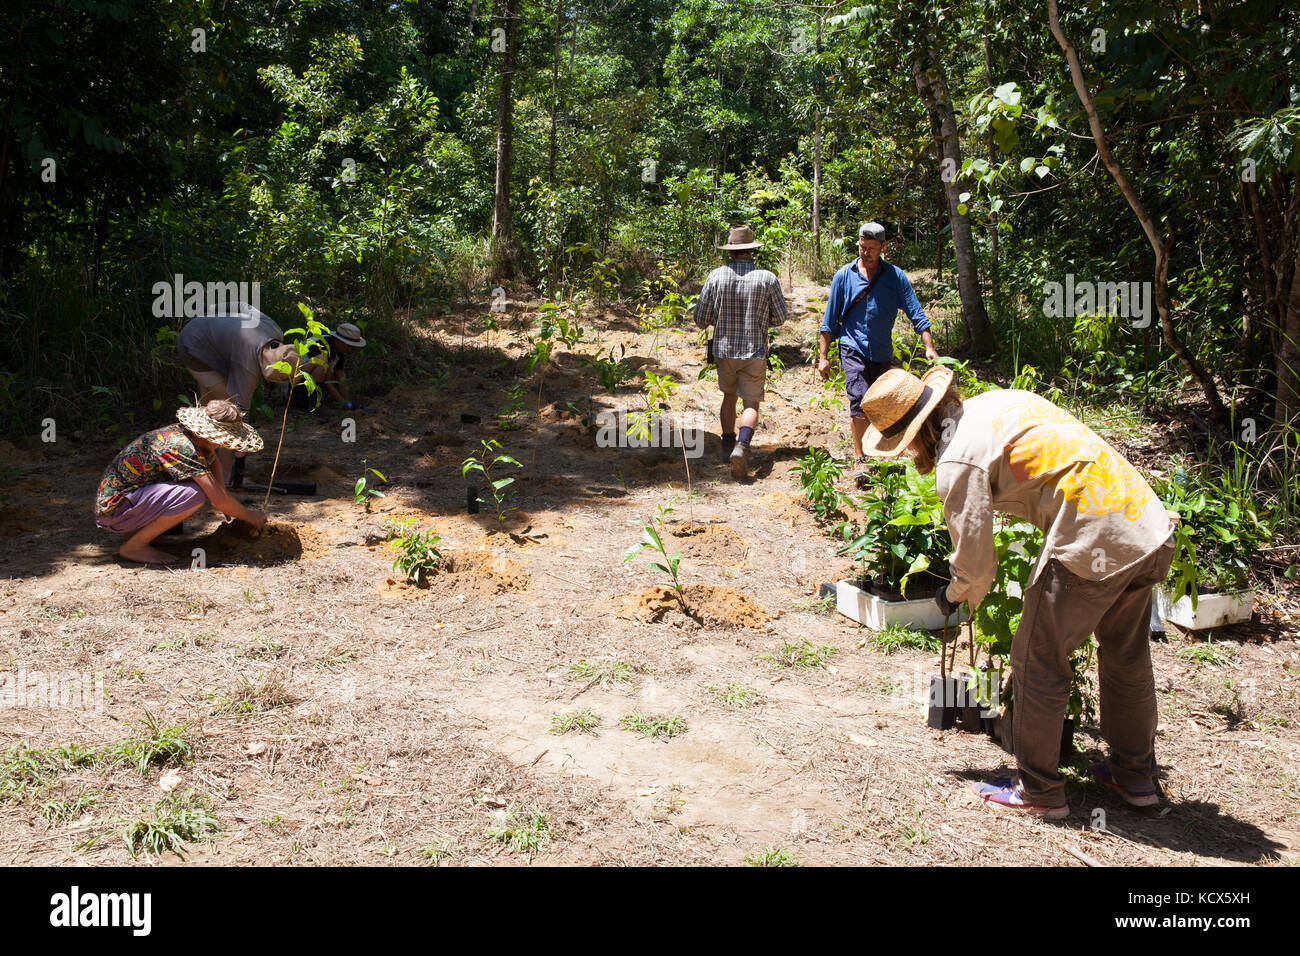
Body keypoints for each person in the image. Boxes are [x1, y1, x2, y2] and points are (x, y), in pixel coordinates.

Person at [858, 367, 1177, 820]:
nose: (910, 452)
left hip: (1093, 537)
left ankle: (1039, 791)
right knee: (1126, 655)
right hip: (1147, 526)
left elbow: (976, 565)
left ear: (919, 433)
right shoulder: (999, 402)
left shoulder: (956, 461)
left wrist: (953, 595)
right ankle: (1135, 777)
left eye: (906, 443)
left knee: (1037, 660)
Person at [818, 222, 939, 477]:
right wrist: (823, 357)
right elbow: (828, 321)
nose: (866, 253)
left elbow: (916, 313)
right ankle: (860, 459)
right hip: (852, 346)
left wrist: (929, 347)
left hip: (882, 351)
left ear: (883, 247)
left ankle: (879, 455)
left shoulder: (895, 277)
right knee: (859, 400)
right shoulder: (844, 276)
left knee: (882, 405)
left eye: (871, 248)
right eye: (862, 247)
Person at [95, 400, 268, 564]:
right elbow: (218, 500)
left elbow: (213, 461)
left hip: (123, 502)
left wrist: (222, 490)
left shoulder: (187, 434)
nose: (222, 444)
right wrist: (249, 515)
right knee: (194, 494)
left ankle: (138, 535)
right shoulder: (184, 447)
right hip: (115, 512)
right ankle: (134, 546)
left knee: (199, 489)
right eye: (222, 439)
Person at [176, 303, 323, 478]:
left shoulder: (274, 330)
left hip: (210, 337)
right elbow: (238, 414)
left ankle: (208, 465)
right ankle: (226, 474)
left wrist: (207, 311)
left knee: (210, 407)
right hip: (193, 344)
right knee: (225, 413)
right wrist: (241, 458)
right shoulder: (248, 368)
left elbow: (242, 306)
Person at [693, 224, 788, 479]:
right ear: (751, 250)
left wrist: (717, 318)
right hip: (754, 349)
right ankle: (742, 446)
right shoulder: (767, 278)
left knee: (729, 395)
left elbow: (700, 318)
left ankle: (727, 444)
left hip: (724, 349)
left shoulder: (716, 276)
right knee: (751, 402)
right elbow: (780, 317)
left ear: (730, 250)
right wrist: (761, 320)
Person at [294, 322, 367, 410]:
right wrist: (343, 403)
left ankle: (315, 401)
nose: (350, 349)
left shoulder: (338, 353)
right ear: (339, 340)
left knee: (339, 375)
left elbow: (340, 377)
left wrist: (348, 401)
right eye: (349, 346)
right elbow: (327, 382)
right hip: (294, 380)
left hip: (304, 377)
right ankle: (310, 404)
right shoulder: (323, 345)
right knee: (322, 363)